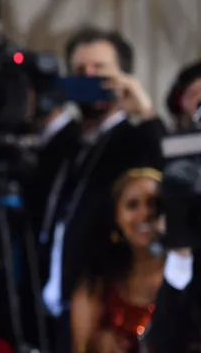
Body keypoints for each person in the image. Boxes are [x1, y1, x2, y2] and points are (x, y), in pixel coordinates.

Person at [39, 27, 166, 352]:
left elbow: (164, 174)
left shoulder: (135, 138)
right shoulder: (66, 141)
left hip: (99, 303)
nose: (89, 77)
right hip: (49, 306)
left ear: (123, 76)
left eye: (100, 70)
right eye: (80, 71)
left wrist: (145, 111)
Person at [70, 168, 164, 353]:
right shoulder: (97, 284)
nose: (145, 213)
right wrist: (96, 344)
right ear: (116, 217)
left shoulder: (189, 272)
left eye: (154, 203)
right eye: (132, 205)